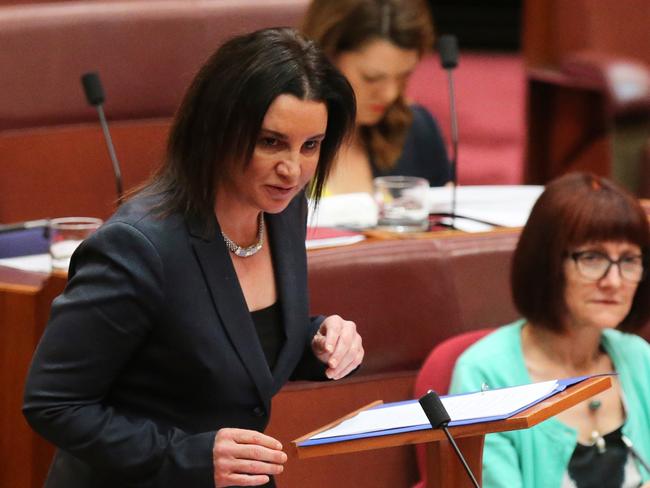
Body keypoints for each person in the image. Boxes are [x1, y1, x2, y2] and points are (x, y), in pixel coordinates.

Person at [23, 27, 364, 488]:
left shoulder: (281, 210)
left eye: (311, 146)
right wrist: (188, 455)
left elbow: (230, 343)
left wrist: (316, 342)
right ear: (217, 129)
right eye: (270, 142)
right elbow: (54, 404)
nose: (293, 169)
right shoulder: (139, 245)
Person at [450, 172, 650, 488]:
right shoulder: (484, 375)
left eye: (628, 260)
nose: (614, 281)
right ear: (546, 263)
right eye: (592, 257)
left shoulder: (638, 356)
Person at [302, 0, 451, 195]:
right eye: (371, 78)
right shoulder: (278, 130)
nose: (390, 94)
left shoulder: (416, 132)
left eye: (403, 77)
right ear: (325, 57)